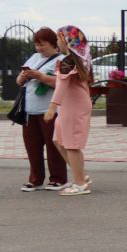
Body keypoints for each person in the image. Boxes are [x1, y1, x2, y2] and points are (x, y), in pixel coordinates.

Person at [16, 27, 66, 192]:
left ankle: (58, 179)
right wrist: (22, 77)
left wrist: (41, 77)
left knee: (53, 146)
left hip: (51, 110)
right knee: (32, 146)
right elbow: (19, 81)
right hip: (29, 111)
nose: (39, 48)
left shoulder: (62, 60)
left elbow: (62, 83)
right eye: (36, 44)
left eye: (42, 44)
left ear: (52, 43)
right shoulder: (33, 57)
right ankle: (35, 179)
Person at [45, 26, 94, 196]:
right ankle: (80, 175)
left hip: (73, 107)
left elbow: (61, 86)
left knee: (72, 145)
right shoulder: (78, 59)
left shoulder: (68, 62)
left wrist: (51, 107)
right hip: (69, 106)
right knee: (59, 141)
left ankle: (80, 184)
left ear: (67, 41)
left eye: (59, 39)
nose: (57, 42)